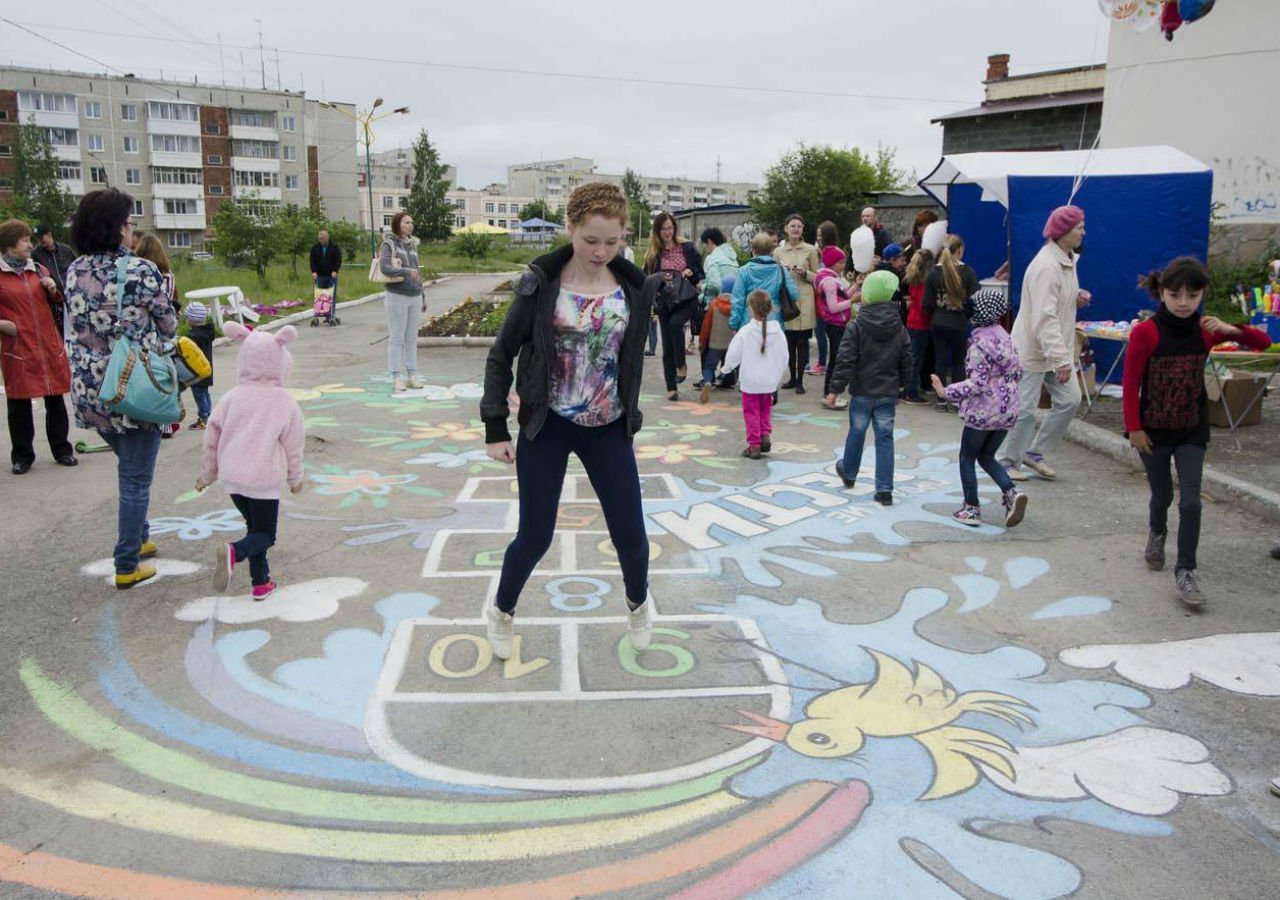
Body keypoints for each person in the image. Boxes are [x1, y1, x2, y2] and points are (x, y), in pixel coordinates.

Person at [480, 182, 661, 661]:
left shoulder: (635, 289)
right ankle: (501, 611)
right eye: (590, 240)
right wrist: (495, 427)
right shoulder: (541, 284)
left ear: (625, 237)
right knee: (534, 535)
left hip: (608, 425)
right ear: (571, 230)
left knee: (631, 534)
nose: (600, 252)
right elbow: (501, 356)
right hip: (547, 423)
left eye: (612, 241)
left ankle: (638, 603)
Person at [1123, 257, 1270, 607]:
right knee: (1163, 497)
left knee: (1191, 502)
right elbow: (1130, 383)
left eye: (1193, 295)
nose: (1184, 303)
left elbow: (1262, 342)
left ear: (1203, 294)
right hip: (1153, 432)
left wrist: (1232, 330)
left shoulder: (1206, 329)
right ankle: (1157, 532)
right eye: (1176, 295)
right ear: (1162, 293)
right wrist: (1134, 428)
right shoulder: (1146, 332)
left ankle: (1185, 570)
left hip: (1191, 429)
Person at [65, 189, 176, 588]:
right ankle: (127, 562)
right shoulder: (141, 271)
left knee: (128, 467)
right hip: (133, 390)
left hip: (90, 390)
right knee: (135, 479)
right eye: (128, 223)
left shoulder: (74, 269)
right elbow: (168, 325)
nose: (131, 231)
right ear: (116, 228)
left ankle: (139, 538)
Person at [197, 323, 306, 601]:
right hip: (263, 479)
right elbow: (293, 444)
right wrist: (295, 478)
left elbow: (212, 434)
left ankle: (261, 582)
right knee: (266, 535)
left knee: (254, 529)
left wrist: (208, 474)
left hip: (233, 480)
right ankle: (235, 552)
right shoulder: (284, 401)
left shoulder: (232, 397)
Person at [1000, 206, 1089, 481]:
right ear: (1062, 232)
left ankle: (1035, 452)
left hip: (1054, 349)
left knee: (1070, 400)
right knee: (1025, 409)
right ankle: (1005, 460)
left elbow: (1054, 303)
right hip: (1032, 349)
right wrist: (1061, 358)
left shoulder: (1067, 260)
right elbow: (1043, 316)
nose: (1083, 232)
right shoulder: (1047, 266)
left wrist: (1075, 297)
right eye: (1079, 227)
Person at [931, 288, 1027, 528]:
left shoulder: (978, 344)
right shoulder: (1006, 338)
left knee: (967, 456)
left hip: (983, 412)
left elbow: (977, 383)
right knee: (987, 455)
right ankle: (1012, 493)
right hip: (1008, 409)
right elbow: (1019, 373)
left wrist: (946, 392)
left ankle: (971, 508)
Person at [826, 270, 912, 506]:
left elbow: (845, 359)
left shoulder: (857, 325)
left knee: (857, 432)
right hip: (887, 392)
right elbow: (907, 358)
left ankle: (849, 472)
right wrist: (903, 387)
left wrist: (835, 389)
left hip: (862, 392)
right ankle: (884, 489)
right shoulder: (899, 326)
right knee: (885, 438)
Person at [0, 219, 75, 474]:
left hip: (46, 342)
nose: (30, 245)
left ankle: (62, 450)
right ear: (10, 243)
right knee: (19, 403)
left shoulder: (40, 270)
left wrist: (54, 288)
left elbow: (58, 302)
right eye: (24, 241)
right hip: (19, 345)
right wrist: (2, 324)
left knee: (55, 399)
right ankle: (22, 456)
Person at [721, 289, 789, 459]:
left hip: (750, 381)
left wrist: (726, 369)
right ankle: (765, 435)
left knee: (751, 412)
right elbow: (784, 356)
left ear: (751, 308)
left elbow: (733, 354)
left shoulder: (746, 331)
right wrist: (777, 375)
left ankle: (754, 445)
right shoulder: (778, 332)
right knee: (765, 408)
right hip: (769, 382)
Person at [644, 213, 703, 400]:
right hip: (665, 301)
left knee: (675, 325)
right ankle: (672, 388)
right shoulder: (653, 254)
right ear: (658, 231)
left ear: (674, 228)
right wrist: (660, 277)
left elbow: (699, 271)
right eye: (663, 229)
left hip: (687, 298)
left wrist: (689, 271)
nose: (667, 232)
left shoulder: (687, 247)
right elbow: (646, 279)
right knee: (667, 346)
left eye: (670, 228)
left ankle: (681, 364)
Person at [924, 235, 978, 412]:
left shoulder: (933, 273)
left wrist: (938, 311)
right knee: (958, 361)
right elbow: (975, 298)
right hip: (958, 322)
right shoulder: (967, 272)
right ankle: (956, 400)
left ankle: (940, 401)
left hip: (938, 321)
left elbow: (927, 304)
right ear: (960, 250)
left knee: (940, 360)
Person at [379, 212, 426, 393]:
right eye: (406, 222)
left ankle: (412, 375)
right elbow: (385, 267)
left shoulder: (412, 245)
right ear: (397, 224)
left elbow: (418, 272)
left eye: (411, 223)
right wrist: (406, 272)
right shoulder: (389, 244)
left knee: (411, 339)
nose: (410, 225)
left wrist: (422, 295)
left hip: (414, 295)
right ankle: (396, 376)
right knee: (397, 338)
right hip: (397, 296)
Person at [773, 214, 819, 395]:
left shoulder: (810, 250)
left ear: (802, 230)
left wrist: (805, 273)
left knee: (802, 342)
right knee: (789, 342)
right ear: (786, 228)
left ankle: (800, 380)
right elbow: (774, 275)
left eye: (799, 226)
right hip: (786, 301)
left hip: (805, 300)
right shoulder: (778, 252)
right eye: (792, 226)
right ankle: (792, 377)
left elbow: (818, 276)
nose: (796, 229)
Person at [730, 233, 799, 334]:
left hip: (749, 323)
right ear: (771, 250)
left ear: (753, 251)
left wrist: (733, 324)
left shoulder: (744, 271)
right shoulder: (781, 270)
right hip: (774, 324)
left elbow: (737, 302)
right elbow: (794, 295)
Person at [815, 245, 854, 408]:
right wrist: (854, 301)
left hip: (837, 323)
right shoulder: (830, 281)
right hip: (835, 324)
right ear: (832, 263)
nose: (843, 265)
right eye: (840, 262)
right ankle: (829, 393)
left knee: (837, 358)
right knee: (836, 360)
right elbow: (834, 307)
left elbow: (842, 296)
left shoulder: (831, 278)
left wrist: (856, 286)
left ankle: (830, 393)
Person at [902, 248, 936, 405]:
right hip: (921, 323)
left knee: (912, 356)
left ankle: (908, 387)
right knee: (916, 358)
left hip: (912, 320)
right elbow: (925, 305)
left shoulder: (913, 278)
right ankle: (911, 391)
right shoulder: (925, 282)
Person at [697, 273, 736, 404]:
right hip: (732, 344)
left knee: (709, 366)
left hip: (715, 343)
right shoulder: (738, 305)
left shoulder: (714, 305)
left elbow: (706, 326)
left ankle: (708, 381)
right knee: (730, 365)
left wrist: (702, 342)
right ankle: (729, 381)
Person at [30, 224, 75, 334]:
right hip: (54, 300)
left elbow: (75, 268)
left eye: (42, 237)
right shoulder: (35, 254)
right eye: (37, 239)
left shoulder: (66, 250)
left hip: (72, 296)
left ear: (49, 234)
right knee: (60, 331)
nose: (40, 241)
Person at [812, 220, 841, 375]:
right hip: (819, 296)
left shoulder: (832, 252)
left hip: (828, 295)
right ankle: (823, 362)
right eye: (817, 235)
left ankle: (828, 363)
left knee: (827, 331)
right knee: (819, 331)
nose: (818, 238)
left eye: (820, 235)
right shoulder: (818, 251)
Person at [184, 302, 216, 429]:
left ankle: (204, 418)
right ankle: (209, 415)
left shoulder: (193, 337)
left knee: (199, 396)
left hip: (196, 371)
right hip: (206, 369)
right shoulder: (207, 332)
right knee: (205, 394)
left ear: (191, 319)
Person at [876, 243, 909, 324]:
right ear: (892, 260)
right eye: (902, 260)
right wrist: (905, 304)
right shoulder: (887, 277)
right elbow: (890, 303)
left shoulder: (894, 273)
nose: (904, 263)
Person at [310, 228, 342, 304]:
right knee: (320, 296)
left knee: (330, 296)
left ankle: (331, 314)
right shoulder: (315, 248)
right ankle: (320, 311)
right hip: (319, 276)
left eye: (323, 238)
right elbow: (312, 261)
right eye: (320, 239)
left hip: (331, 275)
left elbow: (338, 260)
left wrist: (335, 270)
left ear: (327, 238)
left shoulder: (334, 247)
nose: (321, 240)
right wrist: (314, 271)